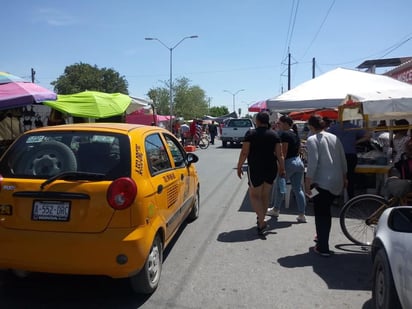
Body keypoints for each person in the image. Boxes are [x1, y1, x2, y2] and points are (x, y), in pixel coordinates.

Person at [236, 111, 285, 235]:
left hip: (256, 167)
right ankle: (260, 221)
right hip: (271, 167)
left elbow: (244, 152)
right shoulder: (274, 135)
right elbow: (280, 155)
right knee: (264, 195)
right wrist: (282, 168)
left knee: (254, 195)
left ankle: (262, 221)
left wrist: (239, 165)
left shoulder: (251, 133)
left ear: (257, 121)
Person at [305, 115, 347, 257]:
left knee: (321, 213)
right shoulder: (334, 138)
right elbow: (343, 159)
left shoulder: (312, 140)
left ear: (311, 126)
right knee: (324, 210)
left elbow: (312, 163)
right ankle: (320, 236)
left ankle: (323, 246)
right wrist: (344, 177)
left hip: (320, 182)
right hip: (336, 181)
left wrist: (307, 182)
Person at [267, 115, 307, 223]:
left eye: (279, 123)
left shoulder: (284, 134)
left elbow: (283, 153)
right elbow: (299, 150)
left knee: (281, 187)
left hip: (288, 163)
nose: (277, 125)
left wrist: (281, 167)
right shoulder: (295, 134)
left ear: (285, 124)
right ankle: (302, 214)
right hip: (298, 162)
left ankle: (276, 209)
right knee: (298, 189)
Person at [328, 119, 370, 199]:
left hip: (338, 155)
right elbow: (368, 135)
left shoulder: (333, 128)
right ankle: (351, 198)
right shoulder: (354, 127)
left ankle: (336, 197)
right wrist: (356, 142)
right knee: (350, 177)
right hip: (351, 154)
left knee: (338, 176)